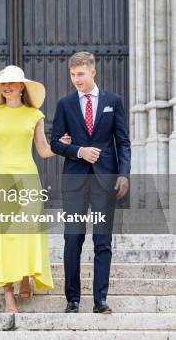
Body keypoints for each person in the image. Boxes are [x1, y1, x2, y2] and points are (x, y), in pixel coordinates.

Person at [0, 65, 71, 313]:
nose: (7, 87)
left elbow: (43, 150)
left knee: (27, 231)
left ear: (21, 87)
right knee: (6, 234)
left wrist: (62, 145)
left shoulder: (34, 114)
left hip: (28, 178)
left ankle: (26, 277)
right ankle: (8, 293)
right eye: (3, 84)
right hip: (1, 178)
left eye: (12, 83)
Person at [50, 52, 130, 314]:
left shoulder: (113, 102)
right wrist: (78, 151)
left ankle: (100, 300)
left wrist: (124, 174)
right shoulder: (65, 104)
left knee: (102, 241)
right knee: (73, 239)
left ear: (93, 72)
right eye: (73, 75)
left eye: (81, 74)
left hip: (105, 180)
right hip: (74, 181)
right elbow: (55, 143)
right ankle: (72, 299)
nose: (76, 80)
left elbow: (123, 142)